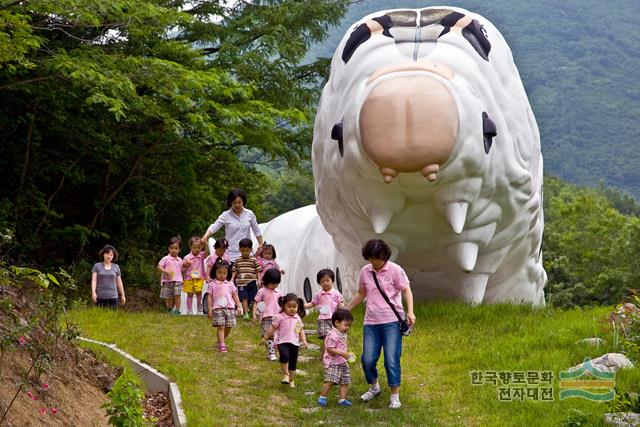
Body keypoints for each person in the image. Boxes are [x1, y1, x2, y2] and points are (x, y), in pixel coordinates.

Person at [346, 239, 416, 409]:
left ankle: (395, 396)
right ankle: (374, 387)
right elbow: (362, 293)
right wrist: (346, 309)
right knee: (367, 360)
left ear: (384, 256)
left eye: (377, 259)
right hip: (371, 323)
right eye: (370, 258)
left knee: (391, 360)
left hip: (392, 322)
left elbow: (406, 290)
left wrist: (410, 311)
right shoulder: (365, 271)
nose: (374, 262)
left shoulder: (395, 270)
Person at [201, 188, 264, 265]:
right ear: (230, 202)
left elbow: (256, 230)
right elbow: (214, 227)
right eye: (234, 203)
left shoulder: (249, 214)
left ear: (243, 202)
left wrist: (261, 244)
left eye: (239, 202)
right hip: (231, 255)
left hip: (247, 254)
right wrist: (205, 237)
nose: (237, 205)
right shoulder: (225, 215)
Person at [261, 293, 308, 388]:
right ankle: (286, 375)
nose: (292, 309)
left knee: (293, 363)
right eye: (289, 306)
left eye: (294, 307)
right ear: (283, 306)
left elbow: (300, 331)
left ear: (298, 307)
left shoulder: (297, 318)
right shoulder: (280, 317)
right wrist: (265, 338)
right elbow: (272, 328)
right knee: (284, 356)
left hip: (294, 343)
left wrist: (304, 341)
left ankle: (291, 380)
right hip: (282, 341)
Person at [318, 308, 354, 407]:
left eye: (349, 326)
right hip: (333, 362)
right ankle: (322, 397)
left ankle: (342, 399)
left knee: (345, 380)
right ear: (337, 323)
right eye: (346, 325)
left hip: (342, 361)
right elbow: (329, 349)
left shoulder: (342, 333)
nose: (347, 328)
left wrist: (346, 354)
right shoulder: (332, 335)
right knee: (330, 380)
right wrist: (342, 353)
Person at [304, 268, 344, 355]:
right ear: (319, 283)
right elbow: (312, 303)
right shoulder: (319, 294)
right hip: (323, 319)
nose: (325, 283)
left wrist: (343, 312)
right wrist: (302, 306)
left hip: (334, 319)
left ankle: (332, 352)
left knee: (334, 337)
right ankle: (325, 353)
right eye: (322, 281)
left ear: (332, 280)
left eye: (327, 280)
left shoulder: (336, 293)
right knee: (327, 337)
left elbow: (340, 304)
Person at [208, 260, 242, 353]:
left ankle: (220, 340)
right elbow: (209, 297)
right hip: (218, 308)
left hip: (230, 308)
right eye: (219, 272)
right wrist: (210, 308)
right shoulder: (212, 284)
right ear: (214, 272)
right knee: (221, 326)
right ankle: (222, 345)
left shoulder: (230, 283)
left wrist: (238, 306)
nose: (222, 275)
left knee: (228, 326)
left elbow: (235, 295)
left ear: (228, 273)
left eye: (224, 273)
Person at [252, 268, 282, 361]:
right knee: (268, 334)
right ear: (266, 281)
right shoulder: (262, 291)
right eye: (272, 283)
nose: (274, 285)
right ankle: (271, 353)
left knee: (277, 335)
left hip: (277, 316)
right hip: (266, 316)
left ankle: (273, 350)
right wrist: (254, 313)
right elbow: (256, 302)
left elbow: (282, 304)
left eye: (276, 283)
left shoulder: (279, 292)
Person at [231, 238, 262, 320]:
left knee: (253, 297)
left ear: (251, 250)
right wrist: (232, 279)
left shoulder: (253, 259)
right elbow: (234, 270)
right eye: (243, 250)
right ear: (240, 249)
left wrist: (259, 279)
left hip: (252, 281)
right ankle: (245, 313)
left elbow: (258, 270)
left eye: (247, 250)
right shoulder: (238, 260)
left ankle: (252, 310)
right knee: (244, 297)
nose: (245, 252)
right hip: (241, 283)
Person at [202, 238, 231, 314]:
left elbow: (228, 269)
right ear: (215, 248)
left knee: (223, 292)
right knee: (213, 293)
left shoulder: (227, 257)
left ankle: (224, 306)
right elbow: (209, 267)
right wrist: (208, 276)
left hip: (223, 279)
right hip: (214, 278)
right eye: (220, 250)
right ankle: (212, 308)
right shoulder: (211, 257)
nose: (222, 252)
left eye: (223, 250)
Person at [157, 236, 183, 315]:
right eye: (172, 248)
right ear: (169, 248)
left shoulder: (180, 260)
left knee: (177, 295)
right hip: (167, 281)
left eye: (176, 248)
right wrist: (166, 271)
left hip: (178, 280)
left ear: (179, 250)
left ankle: (177, 310)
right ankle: (169, 309)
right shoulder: (166, 259)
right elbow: (159, 266)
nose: (174, 250)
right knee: (168, 297)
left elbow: (181, 270)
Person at [182, 236, 207, 315]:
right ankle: (189, 310)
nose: (197, 249)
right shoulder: (187, 258)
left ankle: (199, 308)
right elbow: (182, 270)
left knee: (199, 292)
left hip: (199, 278)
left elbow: (208, 252)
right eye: (194, 247)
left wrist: (205, 243)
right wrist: (186, 265)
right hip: (189, 278)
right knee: (190, 294)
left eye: (199, 247)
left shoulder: (202, 255)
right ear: (190, 247)